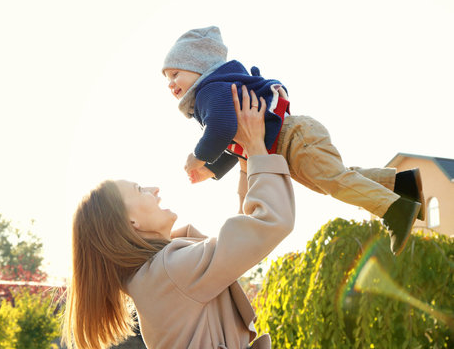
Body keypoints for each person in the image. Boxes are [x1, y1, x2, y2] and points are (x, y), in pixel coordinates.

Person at [62, 86, 295, 349]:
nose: (154, 189)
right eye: (140, 190)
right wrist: (255, 147)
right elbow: (268, 224)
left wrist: (247, 162)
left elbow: (243, 241)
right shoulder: (169, 272)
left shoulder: (155, 277)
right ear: (131, 224)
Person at [162, 25, 425, 255]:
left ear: (198, 66)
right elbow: (233, 141)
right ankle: (401, 184)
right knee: (334, 179)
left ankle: (395, 210)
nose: (171, 84)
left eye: (175, 74)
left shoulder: (210, 90)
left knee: (334, 181)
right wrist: (210, 170)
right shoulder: (216, 91)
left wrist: (197, 157)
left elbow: (220, 130)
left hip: (293, 139)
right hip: (294, 140)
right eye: (166, 79)